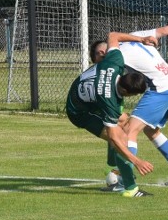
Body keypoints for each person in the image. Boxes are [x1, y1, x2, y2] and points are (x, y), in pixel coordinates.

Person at [90, 18, 168, 186]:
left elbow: (113, 37)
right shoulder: (135, 36)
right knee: (151, 131)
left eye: (99, 60)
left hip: (160, 89)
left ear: (103, 54)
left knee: (129, 131)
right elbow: (164, 31)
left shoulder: (115, 58)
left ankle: (125, 179)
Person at [66, 31, 158, 197]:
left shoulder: (115, 62)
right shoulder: (110, 103)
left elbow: (113, 36)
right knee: (120, 139)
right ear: (124, 90)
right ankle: (129, 188)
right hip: (79, 110)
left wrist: (142, 40)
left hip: (88, 95)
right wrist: (137, 161)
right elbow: (114, 137)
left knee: (125, 123)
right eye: (133, 94)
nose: (133, 98)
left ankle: (113, 169)